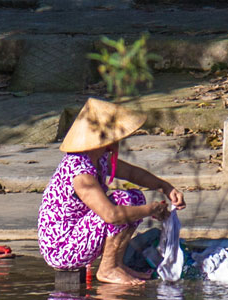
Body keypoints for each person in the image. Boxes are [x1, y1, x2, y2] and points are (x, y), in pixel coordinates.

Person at [37, 98, 186, 285]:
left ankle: (116, 263)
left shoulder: (97, 158)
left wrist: (165, 186)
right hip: (62, 250)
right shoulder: (80, 173)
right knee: (124, 202)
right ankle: (108, 268)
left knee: (134, 197)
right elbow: (111, 215)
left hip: (79, 233)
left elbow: (132, 173)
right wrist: (152, 210)